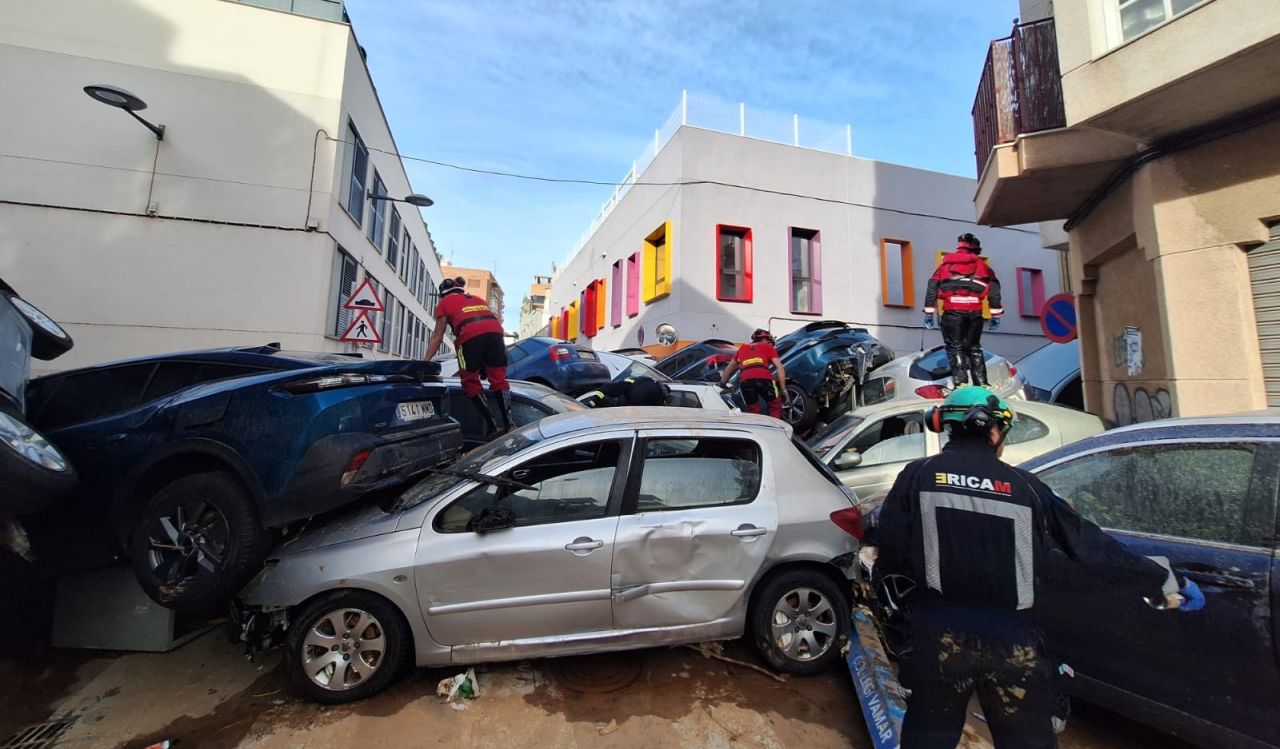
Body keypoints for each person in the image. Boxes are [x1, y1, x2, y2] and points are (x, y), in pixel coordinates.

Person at [873, 386, 1204, 749]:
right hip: (1013, 643)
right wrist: (1162, 578)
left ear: (945, 425)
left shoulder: (918, 476)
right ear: (994, 430)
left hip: (937, 636)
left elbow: (891, 553)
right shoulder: (1027, 488)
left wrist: (905, 618)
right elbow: (1090, 547)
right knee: (1027, 740)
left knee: (928, 738)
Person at [423, 276, 512, 437]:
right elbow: (486, 326)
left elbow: (437, 335)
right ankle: (509, 423)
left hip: (469, 337)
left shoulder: (444, 303)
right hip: (496, 334)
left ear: (443, 294)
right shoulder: (477, 299)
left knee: (470, 382)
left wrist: (425, 361)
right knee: (499, 379)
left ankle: (492, 425)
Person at [923, 233, 1003, 389]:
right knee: (974, 348)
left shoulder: (944, 267)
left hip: (952, 313)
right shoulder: (983, 267)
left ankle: (961, 382)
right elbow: (994, 292)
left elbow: (932, 287)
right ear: (976, 250)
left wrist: (928, 313)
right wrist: (996, 315)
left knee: (955, 346)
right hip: (975, 314)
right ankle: (982, 383)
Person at [718, 329, 787, 419]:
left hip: (746, 382)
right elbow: (779, 367)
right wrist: (783, 389)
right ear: (766, 339)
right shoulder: (768, 347)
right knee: (775, 407)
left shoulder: (742, 348)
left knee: (753, 411)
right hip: (765, 380)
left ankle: (756, 430)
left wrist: (722, 384)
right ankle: (776, 430)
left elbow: (728, 370)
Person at [580, 376, 669, 408]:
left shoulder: (648, 380)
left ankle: (592, 403)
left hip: (626, 405)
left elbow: (608, 387)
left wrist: (593, 401)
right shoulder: (660, 398)